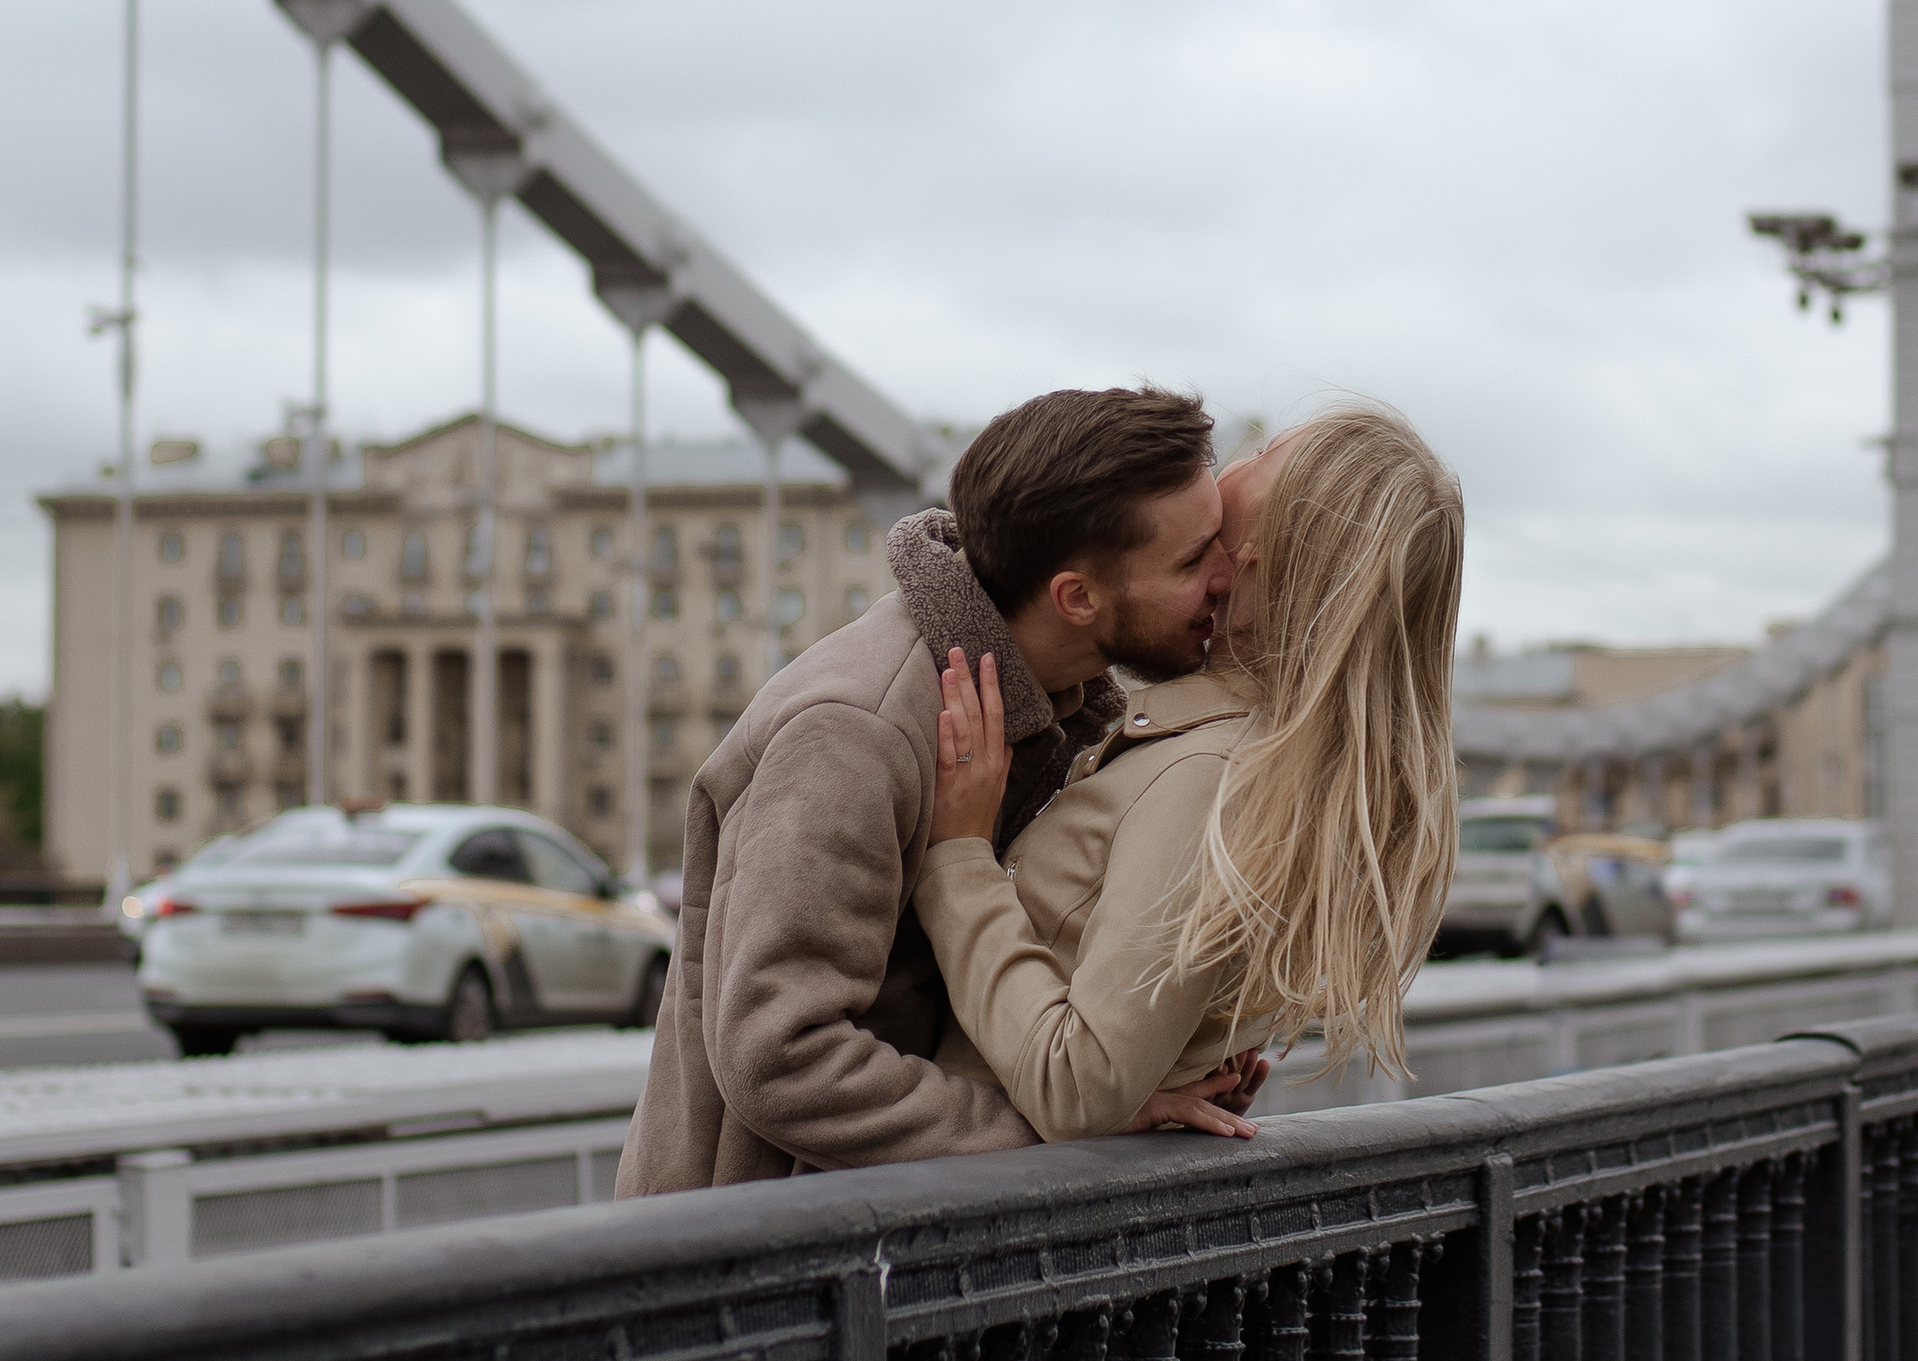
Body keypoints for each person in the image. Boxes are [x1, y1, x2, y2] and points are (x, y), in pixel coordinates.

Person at [612, 381, 1242, 1197]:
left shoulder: (1066, 711)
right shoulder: (856, 732)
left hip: (879, 1233)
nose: (1228, 576)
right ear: (1077, 598)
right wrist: (1059, 1130)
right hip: (759, 1248)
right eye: (1194, 560)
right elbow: (781, 1056)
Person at [910, 404, 1464, 1140]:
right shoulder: (1259, 762)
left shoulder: (1207, 778)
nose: (1234, 459)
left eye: (1263, 453)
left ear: (1262, 558)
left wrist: (958, 857)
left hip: (967, 1195)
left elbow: (1076, 1087)